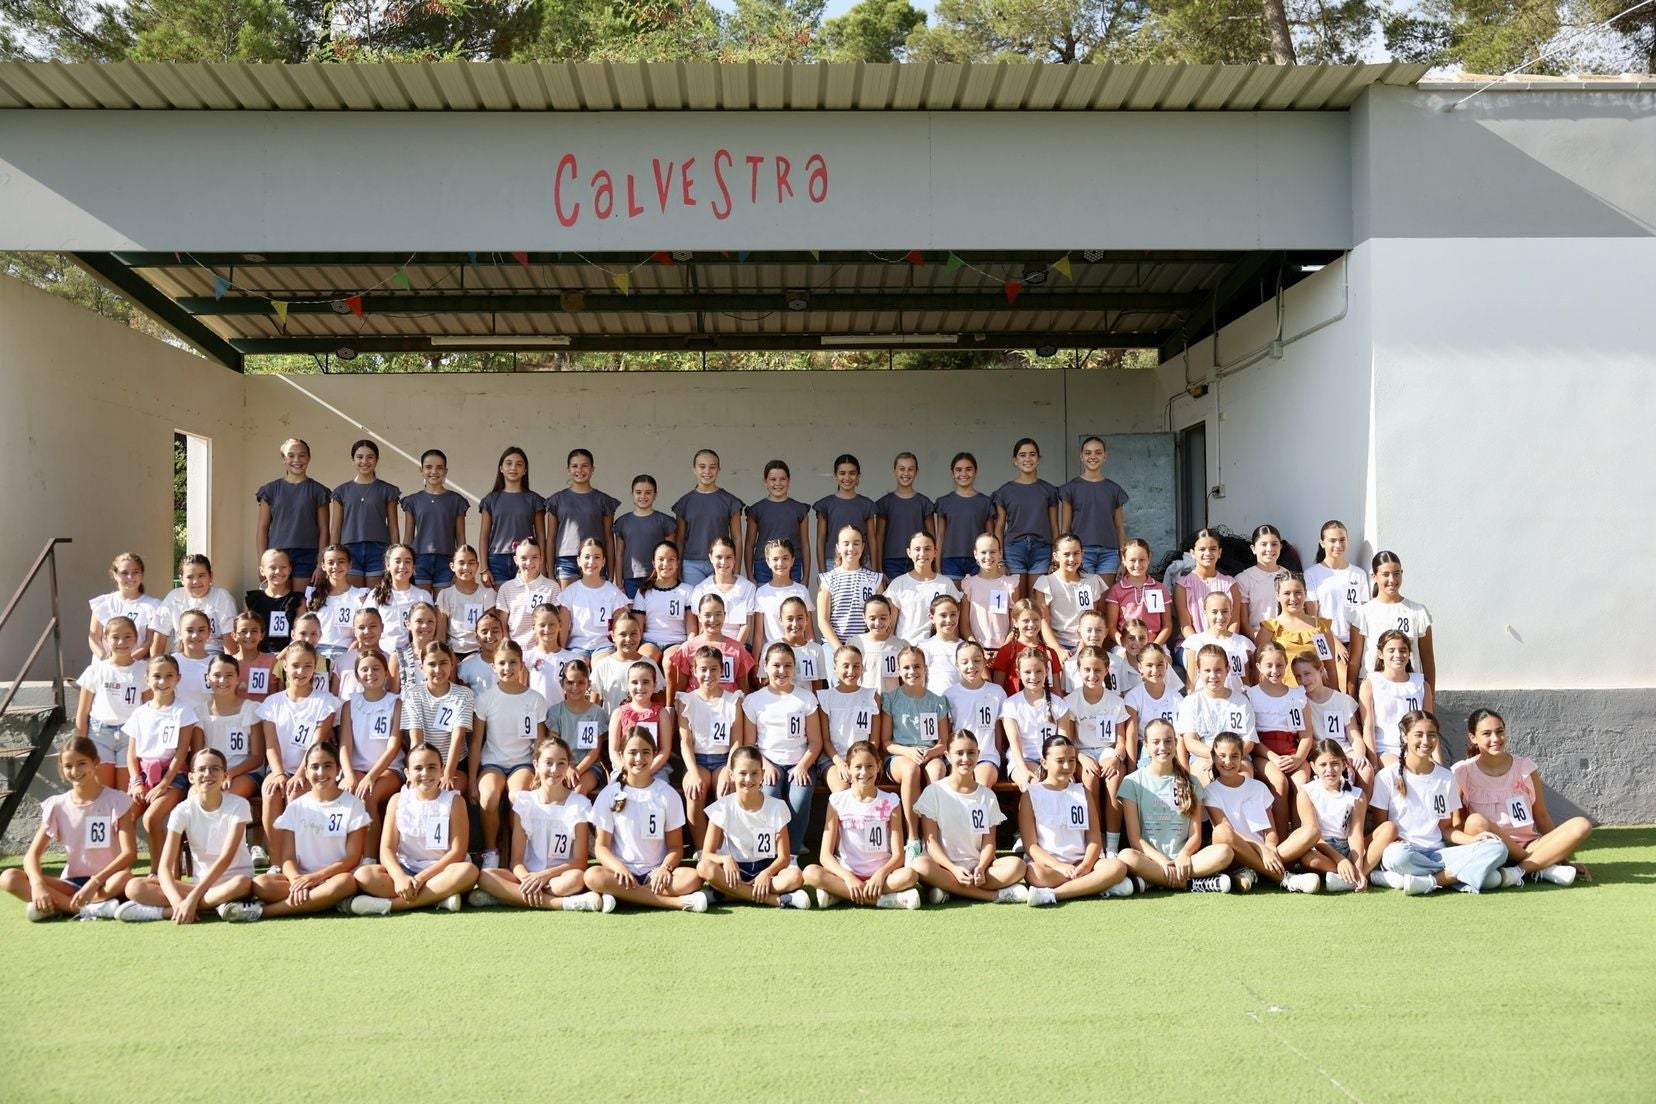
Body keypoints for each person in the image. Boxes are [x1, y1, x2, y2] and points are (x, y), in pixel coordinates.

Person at [1369, 711, 1512, 895]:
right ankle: (1459, 876)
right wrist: (1395, 844)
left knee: (1498, 849)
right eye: (1418, 735)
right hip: (1404, 852)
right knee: (1397, 857)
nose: (1426, 741)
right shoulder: (1386, 777)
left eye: (1432, 735)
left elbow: (1446, 829)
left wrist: (1473, 840)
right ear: (1405, 736)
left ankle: (1427, 881)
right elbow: (1381, 828)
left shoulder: (1446, 778)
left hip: (1439, 854)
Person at [116, 748, 261, 923]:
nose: (208, 774)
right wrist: (177, 901)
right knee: (134, 887)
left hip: (232, 885)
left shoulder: (239, 805)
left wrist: (192, 899)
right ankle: (214, 907)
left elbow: (226, 857)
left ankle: (162, 912)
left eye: (215, 769)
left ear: (224, 775)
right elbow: (164, 867)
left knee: (242, 884)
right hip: (197, 887)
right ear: (191, 777)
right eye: (201, 769)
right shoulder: (182, 810)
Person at [0, 737, 136, 921]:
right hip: (70, 884)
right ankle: (85, 909)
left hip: (107, 881)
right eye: (68, 766)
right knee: (9, 877)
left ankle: (58, 906)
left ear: (95, 763)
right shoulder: (57, 805)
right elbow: (31, 855)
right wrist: (38, 884)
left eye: (82, 764)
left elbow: (129, 854)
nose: (75, 771)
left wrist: (95, 882)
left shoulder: (117, 800)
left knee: (125, 879)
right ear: (62, 769)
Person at [1453, 708, 1591, 885]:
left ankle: (1518, 871)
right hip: (1492, 848)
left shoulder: (1526, 768)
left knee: (1581, 825)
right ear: (1472, 737)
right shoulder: (1461, 772)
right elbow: (1459, 824)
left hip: (1532, 846)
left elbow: (1541, 815)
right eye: (1486, 734)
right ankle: (1539, 865)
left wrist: (1563, 858)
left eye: (1500, 732)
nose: (1495, 739)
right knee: (1475, 821)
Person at [471, 736, 610, 912]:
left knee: (576, 879)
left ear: (568, 766)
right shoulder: (525, 802)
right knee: (485, 876)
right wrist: (528, 879)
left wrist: (545, 876)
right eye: (548, 763)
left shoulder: (578, 804)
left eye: (561, 763)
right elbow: (516, 861)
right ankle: (561, 904)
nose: (555, 769)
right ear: (536, 764)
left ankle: (508, 897)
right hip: (527, 876)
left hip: (559, 878)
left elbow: (580, 862)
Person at [584, 727, 711, 911]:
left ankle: (625, 897)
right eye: (632, 753)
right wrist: (619, 868)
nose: (639, 759)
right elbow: (601, 847)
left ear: (654, 754)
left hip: (655, 874)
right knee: (592, 876)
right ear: (621, 755)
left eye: (645, 752)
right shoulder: (609, 794)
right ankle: (674, 903)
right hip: (621, 873)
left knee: (693, 878)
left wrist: (665, 869)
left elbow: (676, 847)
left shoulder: (667, 794)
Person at [345, 744, 479, 914]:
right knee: (364, 875)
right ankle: (439, 897)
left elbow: (458, 852)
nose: (425, 774)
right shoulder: (397, 800)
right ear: (407, 773)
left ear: (442, 770)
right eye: (418, 768)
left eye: (432, 767)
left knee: (468, 871)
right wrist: (399, 877)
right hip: (406, 870)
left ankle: (390, 905)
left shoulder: (455, 801)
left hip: (441, 871)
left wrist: (422, 878)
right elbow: (387, 849)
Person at [251, 741, 372, 917]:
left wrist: (315, 879)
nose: (321, 772)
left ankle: (264, 912)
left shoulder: (353, 805)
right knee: (261, 884)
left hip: (335, 877)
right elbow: (288, 858)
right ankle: (324, 900)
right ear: (306, 772)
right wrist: (296, 881)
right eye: (315, 767)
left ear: (338, 769)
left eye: (327, 766)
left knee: (346, 883)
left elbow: (352, 858)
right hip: (301, 878)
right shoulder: (295, 807)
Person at [910, 730, 1029, 904]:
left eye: (971, 752)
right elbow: (931, 842)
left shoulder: (987, 796)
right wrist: (954, 870)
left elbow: (989, 843)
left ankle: (948, 890)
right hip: (944, 867)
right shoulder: (934, 792)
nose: (965, 759)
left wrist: (980, 867)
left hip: (978, 870)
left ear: (978, 754)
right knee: (919, 865)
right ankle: (993, 896)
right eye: (959, 753)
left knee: (1018, 866)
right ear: (948, 756)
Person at [1117, 719, 1234, 892]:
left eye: (1168, 741)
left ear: (1176, 743)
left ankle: (1154, 880)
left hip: (1186, 861)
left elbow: (1196, 836)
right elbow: (1135, 840)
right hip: (1152, 860)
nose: (1163, 747)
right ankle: (1192, 884)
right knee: (1126, 856)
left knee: (1225, 852)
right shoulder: (1132, 782)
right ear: (1146, 746)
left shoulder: (1191, 782)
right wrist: (1162, 861)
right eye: (1156, 742)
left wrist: (1184, 855)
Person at [804, 740, 921, 909]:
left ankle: (840, 895)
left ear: (879, 766)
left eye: (869, 766)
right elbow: (825, 856)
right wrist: (848, 878)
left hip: (881, 877)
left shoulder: (891, 802)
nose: (864, 772)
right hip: (847, 874)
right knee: (810, 872)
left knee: (910, 875)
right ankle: (885, 900)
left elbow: (898, 856)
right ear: (848, 768)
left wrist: (880, 875)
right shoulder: (837, 801)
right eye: (858, 767)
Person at [1018, 734, 1133, 904]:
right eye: (1060, 761)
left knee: (1117, 867)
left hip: (1083, 863)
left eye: (1071, 760)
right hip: (1050, 867)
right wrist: (1059, 866)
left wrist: (1086, 866)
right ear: (1044, 762)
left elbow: (1094, 838)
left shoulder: (1082, 792)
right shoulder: (1031, 795)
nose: (1067, 766)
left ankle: (1053, 895)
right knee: (1034, 873)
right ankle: (1093, 886)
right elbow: (1031, 846)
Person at [1203, 732, 1321, 893]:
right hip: (1236, 856)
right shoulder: (1210, 791)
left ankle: (1255, 871)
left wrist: (1270, 846)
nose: (1228, 762)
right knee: (1221, 832)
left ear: (1242, 757)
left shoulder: (1258, 788)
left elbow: (1271, 831)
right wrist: (1261, 849)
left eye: (1234, 756)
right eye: (1221, 756)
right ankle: (1286, 879)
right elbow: (1227, 832)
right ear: (1213, 757)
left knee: (1311, 831)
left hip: (1268, 854)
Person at [697, 746, 812, 909]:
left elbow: (784, 857)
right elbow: (707, 855)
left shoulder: (776, 807)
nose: (749, 779)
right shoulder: (721, 807)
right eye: (742, 773)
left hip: (765, 870)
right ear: (731, 775)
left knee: (795, 876)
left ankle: (727, 895)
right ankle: (775, 900)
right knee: (703, 868)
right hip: (733, 872)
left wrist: (766, 873)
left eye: (754, 773)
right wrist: (725, 859)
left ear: (762, 775)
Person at [257, 640, 341, 853]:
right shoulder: (272, 703)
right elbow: (271, 744)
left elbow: (316, 745)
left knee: (295, 795)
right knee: (271, 793)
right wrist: (278, 774)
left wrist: (300, 774)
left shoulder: (325, 702)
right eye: (295, 665)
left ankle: (296, 858)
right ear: (285, 665)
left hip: (311, 770)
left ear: (315, 667)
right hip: (279, 768)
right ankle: (276, 860)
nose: (301, 671)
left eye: (307, 666)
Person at [469, 643, 547, 868]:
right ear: (493, 667)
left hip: (522, 764)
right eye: (502, 663)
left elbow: (539, 742)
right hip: (492, 763)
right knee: (489, 797)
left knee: (518, 798)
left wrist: (539, 773)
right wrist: (473, 780)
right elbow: (476, 743)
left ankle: (517, 854)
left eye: (513, 662)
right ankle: (491, 851)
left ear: (522, 664)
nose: (507, 667)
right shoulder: (485, 699)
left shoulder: (535, 699)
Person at [743, 642, 824, 855]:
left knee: (800, 797)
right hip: (768, 763)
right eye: (776, 665)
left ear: (794, 667)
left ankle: (792, 853)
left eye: (788, 665)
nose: (781, 671)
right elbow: (750, 744)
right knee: (769, 794)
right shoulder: (754, 701)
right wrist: (765, 766)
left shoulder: (806, 698)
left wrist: (802, 767)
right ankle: (769, 850)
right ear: (766, 666)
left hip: (800, 762)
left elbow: (816, 741)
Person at [123, 654, 199, 875]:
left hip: (173, 777)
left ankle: (159, 872)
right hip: (143, 777)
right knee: (123, 817)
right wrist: (137, 782)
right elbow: (131, 754)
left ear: (178, 679)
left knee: (152, 818)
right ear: (147, 679)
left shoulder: (183, 711)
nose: (162, 682)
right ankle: (122, 869)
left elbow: (181, 752)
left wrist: (164, 784)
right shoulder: (139, 713)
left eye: (169, 676)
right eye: (157, 676)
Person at [882, 645, 951, 860]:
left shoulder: (937, 701)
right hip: (899, 756)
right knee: (911, 770)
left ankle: (932, 838)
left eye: (917, 666)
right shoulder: (891, 699)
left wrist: (931, 753)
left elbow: (943, 742)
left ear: (925, 668)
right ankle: (912, 839)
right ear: (899, 671)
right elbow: (886, 742)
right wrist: (908, 752)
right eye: (907, 668)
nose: (912, 672)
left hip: (930, 754)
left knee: (937, 769)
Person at [1062, 645, 1133, 851]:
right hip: (1081, 752)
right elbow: (1069, 742)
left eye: (1097, 670)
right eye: (1087, 670)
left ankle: (1112, 844)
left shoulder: (1115, 702)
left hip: (1106, 751)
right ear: (1079, 670)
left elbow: (1120, 742)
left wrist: (1116, 759)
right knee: (1089, 777)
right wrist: (1082, 758)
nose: (1092, 675)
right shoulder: (1071, 701)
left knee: (1113, 777)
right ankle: (1095, 839)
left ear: (1106, 670)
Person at [677, 645, 747, 849]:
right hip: (696, 760)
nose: (708, 674)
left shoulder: (732, 701)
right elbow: (685, 741)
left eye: (714, 669)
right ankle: (702, 850)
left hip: (724, 760)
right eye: (703, 669)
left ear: (722, 671)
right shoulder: (686, 700)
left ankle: (723, 846)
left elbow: (737, 740)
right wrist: (692, 772)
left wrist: (729, 770)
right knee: (695, 791)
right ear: (694, 671)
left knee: (726, 791)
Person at [337, 647, 402, 861]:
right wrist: (348, 775)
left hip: (387, 770)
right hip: (356, 768)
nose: (370, 673)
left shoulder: (395, 703)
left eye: (376, 668)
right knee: (340, 794)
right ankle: (340, 857)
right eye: (364, 669)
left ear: (385, 673)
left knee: (368, 796)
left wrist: (370, 777)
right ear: (357, 676)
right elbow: (344, 745)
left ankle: (369, 859)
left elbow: (393, 747)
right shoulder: (349, 705)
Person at [1247, 642, 1313, 833]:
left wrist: (1298, 758)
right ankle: (1282, 837)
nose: (1275, 670)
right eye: (1269, 665)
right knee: (1280, 783)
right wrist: (1274, 758)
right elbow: (1252, 737)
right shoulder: (1251, 695)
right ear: (1259, 666)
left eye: (1279, 665)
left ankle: (1301, 837)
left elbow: (1306, 734)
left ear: (1286, 665)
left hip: (1293, 752)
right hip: (1264, 754)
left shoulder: (1297, 695)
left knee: (1301, 783)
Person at [1349, 551, 1434, 691]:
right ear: (1374, 576)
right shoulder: (1362, 613)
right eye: (1385, 574)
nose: (1392, 580)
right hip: (1373, 687)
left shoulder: (1418, 611)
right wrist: (1352, 695)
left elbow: (1428, 659)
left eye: (1396, 573)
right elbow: (1355, 660)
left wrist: (1430, 695)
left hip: (1410, 687)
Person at [75, 616, 144, 788]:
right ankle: (99, 818)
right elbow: (83, 712)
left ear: (136, 638)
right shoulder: (95, 670)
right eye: (115, 637)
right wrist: (80, 744)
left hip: (130, 736)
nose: (122, 641)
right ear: (105, 639)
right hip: (99, 735)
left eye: (128, 636)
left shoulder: (144, 670)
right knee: (101, 793)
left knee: (124, 795)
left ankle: (122, 817)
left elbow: (149, 709)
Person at [1294, 739, 1372, 892]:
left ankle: (1354, 874)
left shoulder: (1357, 795)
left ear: (1344, 764)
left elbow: (1355, 835)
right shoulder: (1306, 792)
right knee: (1309, 859)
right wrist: (1340, 860)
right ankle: (1351, 876)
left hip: (1348, 848)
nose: (1329, 770)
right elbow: (1314, 837)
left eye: (1335, 763)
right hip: (1322, 849)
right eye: (1323, 765)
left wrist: (1356, 865)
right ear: (1313, 767)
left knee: (1388, 829)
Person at [401, 641, 476, 793]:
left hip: (454, 764)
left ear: (452, 664)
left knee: (446, 794)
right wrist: (418, 773)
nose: (438, 669)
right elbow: (416, 738)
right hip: (423, 764)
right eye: (432, 664)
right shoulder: (413, 695)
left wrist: (447, 774)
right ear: (422, 667)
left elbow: (458, 737)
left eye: (443, 663)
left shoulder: (463, 695)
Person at [1175, 644, 1257, 782]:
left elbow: (1248, 741)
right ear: (1198, 671)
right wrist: (1216, 757)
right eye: (1207, 670)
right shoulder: (1191, 702)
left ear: (1228, 670)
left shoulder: (1241, 702)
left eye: (1218, 670)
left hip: (1237, 758)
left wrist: (1228, 758)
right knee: (1210, 780)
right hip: (1204, 757)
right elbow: (1190, 741)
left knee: (1243, 781)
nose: (1213, 676)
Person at [1303, 520, 1368, 690]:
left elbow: (1363, 613)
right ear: (1322, 543)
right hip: (1325, 639)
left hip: (1355, 641)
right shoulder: (1312, 574)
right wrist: (1335, 642)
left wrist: (1355, 643)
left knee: (1353, 687)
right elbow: (1313, 616)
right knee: (1338, 684)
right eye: (1332, 540)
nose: (1338, 545)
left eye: (1342, 540)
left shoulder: (1358, 574)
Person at [255, 436, 331, 581]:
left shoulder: (319, 491)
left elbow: (324, 529)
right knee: (279, 600)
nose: (297, 460)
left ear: (308, 458)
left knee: (301, 600)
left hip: (308, 555)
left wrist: (321, 564)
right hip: (276, 555)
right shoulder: (269, 490)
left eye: (302, 455)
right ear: (284, 459)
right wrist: (261, 562)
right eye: (291, 455)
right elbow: (262, 528)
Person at [1294, 654, 1371, 791]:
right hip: (1320, 752)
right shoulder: (1299, 703)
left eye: (1307, 674)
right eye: (1298, 676)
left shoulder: (1342, 700)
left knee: (1366, 771)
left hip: (1345, 751)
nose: (1303, 680)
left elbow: (1355, 736)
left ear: (1321, 670)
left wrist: (1358, 755)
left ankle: (1359, 810)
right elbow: (1306, 739)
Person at [993, 437, 1059, 600]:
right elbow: (999, 528)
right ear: (1015, 460)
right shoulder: (1004, 491)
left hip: (1042, 549)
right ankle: (1015, 627)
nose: (1027, 459)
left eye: (1032, 454)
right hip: (1014, 549)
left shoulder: (1049, 490)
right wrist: (999, 560)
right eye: (1022, 455)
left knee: (1037, 598)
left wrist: (1055, 555)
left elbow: (1054, 525)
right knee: (1016, 600)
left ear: (1038, 459)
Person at [329, 438, 401, 587]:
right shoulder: (341, 491)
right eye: (360, 457)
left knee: (375, 599)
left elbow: (393, 526)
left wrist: (395, 554)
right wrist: (332, 556)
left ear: (377, 460)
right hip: (349, 550)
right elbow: (335, 528)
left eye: (370, 457)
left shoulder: (388, 490)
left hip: (379, 549)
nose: (365, 461)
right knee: (354, 598)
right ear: (353, 460)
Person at [1058, 436, 1130, 583]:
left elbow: (1119, 527)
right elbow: (1065, 527)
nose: (1092, 456)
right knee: (1085, 597)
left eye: (1098, 452)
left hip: (1109, 552)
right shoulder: (1070, 488)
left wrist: (1123, 558)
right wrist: (1063, 555)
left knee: (1104, 599)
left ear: (1105, 456)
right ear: (1081, 456)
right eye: (1088, 453)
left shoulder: (1114, 489)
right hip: (1081, 552)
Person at [1000, 647, 1072, 791]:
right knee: (1034, 784)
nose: (1033, 677)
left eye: (1039, 671)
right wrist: (1023, 769)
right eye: (1027, 672)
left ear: (1047, 671)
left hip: (1052, 760)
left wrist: (1063, 769)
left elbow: (1064, 743)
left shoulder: (1059, 705)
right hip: (1022, 760)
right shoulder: (1011, 705)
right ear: (1018, 673)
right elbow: (1015, 743)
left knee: (1062, 785)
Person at [544, 448, 619, 583]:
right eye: (574, 466)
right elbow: (550, 539)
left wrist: (611, 572)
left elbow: (608, 539)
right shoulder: (556, 500)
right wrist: (549, 572)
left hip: (595, 558)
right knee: (566, 603)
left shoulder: (603, 500)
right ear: (568, 469)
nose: (579, 470)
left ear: (592, 469)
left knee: (595, 602)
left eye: (585, 466)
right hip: (566, 559)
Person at [400, 448, 470, 593]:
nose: (434, 471)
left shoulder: (456, 500)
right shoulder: (412, 501)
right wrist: (404, 561)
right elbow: (408, 536)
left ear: (445, 471)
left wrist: (462, 563)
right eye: (428, 467)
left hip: (446, 560)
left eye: (439, 467)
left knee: (442, 607)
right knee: (421, 606)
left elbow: (461, 536)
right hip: (419, 561)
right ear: (421, 470)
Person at [673, 448, 745, 587]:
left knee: (719, 605)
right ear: (694, 469)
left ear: (718, 469)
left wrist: (736, 568)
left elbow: (737, 538)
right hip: (691, 564)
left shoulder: (730, 501)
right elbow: (680, 540)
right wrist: (678, 570)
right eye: (702, 467)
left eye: (712, 467)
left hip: (721, 562)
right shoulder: (684, 503)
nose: (707, 471)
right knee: (696, 606)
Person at [1360, 629, 1432, 767]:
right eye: (1391, 650)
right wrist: (1374, 764)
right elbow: (1367, 727)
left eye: (1403, 650)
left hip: (1417, 749)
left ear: (1409, 653)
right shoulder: (1370, 684)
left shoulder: (1421, 684)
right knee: (1401, 772)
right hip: (1385, 750)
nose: (1398, 655)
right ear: (1380, 654)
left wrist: (1438, 762)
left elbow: (1430, 727)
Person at [1255, 571, 1339, 688]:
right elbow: (1258, 670)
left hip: (1314, 696)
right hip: (1282, 697)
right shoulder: (1270, 628)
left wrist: (1333, 698)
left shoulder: (1320, 627)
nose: (1293, 598)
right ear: (1277, 595)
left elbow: (1330, 669)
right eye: (1287, 593)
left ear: (1305, 593)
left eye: (1298, 592)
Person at [199, 653, 265, 802]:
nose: (223, 680)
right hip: (210, 773)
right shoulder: (200, 712)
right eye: (217, 675)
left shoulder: (251, 709)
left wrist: (230, 773)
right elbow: (198, 755)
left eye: (229, 675)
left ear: (237, 679)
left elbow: (257, 757)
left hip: (245, 772)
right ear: (208, 679)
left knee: (225, 800)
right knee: (195, 801)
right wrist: (212, 774)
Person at [478, 445, 545, 587]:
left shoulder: (534, 500)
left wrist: (541, 563)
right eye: (508, 463)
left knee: (524, 606)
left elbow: (540, 534)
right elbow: (484, 536)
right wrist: (484, 569)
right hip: (497, 561)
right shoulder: (490, 500)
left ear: (525, 470)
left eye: (519, 464)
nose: (513, 468)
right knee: (500, 607)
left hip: (526, 559)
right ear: (501, 468)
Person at [1033, 533, 1105, 661]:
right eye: (1066, 554)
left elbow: (1092, 619)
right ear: (1056, 556)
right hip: (1056, 645)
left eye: (1076, 553)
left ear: (1082, 553)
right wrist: (1057, 650)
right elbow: (1044, 621)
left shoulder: (1092, 581)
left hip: (1086, 644)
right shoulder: (1045, 583)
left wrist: (1082, 648)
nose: (1072, 559)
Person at [881, 531, 961, 645]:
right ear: (909, 552)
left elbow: (954, 625)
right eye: (917, 549)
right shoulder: (898, 584)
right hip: (907, 649)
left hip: (937, 650)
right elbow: (891, 626)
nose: (922, 553)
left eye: (927, 549)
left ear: (935, 552)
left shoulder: (946, 584)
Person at [944, 639, 1005, 787]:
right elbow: (947, 730)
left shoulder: (996, 692)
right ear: (957, 665)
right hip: (959, 756)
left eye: (976, 660)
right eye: (964, 662)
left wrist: (997, 753)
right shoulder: (949, 695)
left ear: (984, 662)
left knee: (980, 786)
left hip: (986, 756)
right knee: (958, 787)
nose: (971, 666)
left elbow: (998, 728)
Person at [817, 645, 878, 794]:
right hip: (834, 759)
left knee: (862, 788)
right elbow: (825, 740)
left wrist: (862, 763)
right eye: (846, 666)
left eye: (856, 666)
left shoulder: (872, 696)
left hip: (864, 760)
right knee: (843, 790)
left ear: (862, 668)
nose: (851, 671)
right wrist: (840, 763)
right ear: (835, 668)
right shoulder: (826, 698)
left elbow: (874, 740)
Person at [557, 538, 629, 658]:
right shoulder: (569, 593)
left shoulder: (613, 592)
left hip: (604, 647)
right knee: (577, 670)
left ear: (603, 561)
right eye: (587, 557)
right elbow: (563, 628)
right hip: (576, 647)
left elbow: (619, 625)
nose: (591, 562)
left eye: (597, 557)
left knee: (600, 666)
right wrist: (561, 655)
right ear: (579, 561)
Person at [546, 658, 608, 795]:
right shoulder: (555, 712)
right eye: (570, 683)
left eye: (580, 683)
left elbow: (594, 751)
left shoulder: (597, 713)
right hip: (560, 765)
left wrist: (577, 770)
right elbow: (554, 745)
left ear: (588, 684)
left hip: (589, 767)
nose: (575, 688)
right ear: (562, 684)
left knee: (578, 791)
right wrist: (566, 768)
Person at [154, 553, 237, 656]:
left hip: (212, 654)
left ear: (210, 576)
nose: (196, 581)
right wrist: (154, 666)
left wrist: (230, 666)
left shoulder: (222, 597)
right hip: (180, 654)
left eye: (201, 575)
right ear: (181, 579)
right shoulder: (173, 597)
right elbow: (160, 634)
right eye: (190, 577)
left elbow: (229, 636)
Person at [816, 524, 882, 651]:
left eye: (856, 543)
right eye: (846, 543)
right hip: (833, 646)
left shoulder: (875, 579)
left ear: (862, 547)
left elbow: (881, 614)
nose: (851, 548)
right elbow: (822, 620)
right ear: (838, 547)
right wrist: (839, 649)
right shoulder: (827, 579)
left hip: (866, 647)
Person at [358, 545, 433, 657]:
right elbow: (364, 625)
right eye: (397, 561)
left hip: (414, 657)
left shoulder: (423, 596)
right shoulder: (376, 595)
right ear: (388, 565)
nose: (402, 566)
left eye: (407, 562)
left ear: (413, 567)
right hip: (381, 656)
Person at [932, 451, 996, 581]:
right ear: (953, 474)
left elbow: (991, 537)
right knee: (952, 600)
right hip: (950, 560)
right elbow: (940, 535)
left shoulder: (985, 502)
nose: (963, 474)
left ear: (975, 472)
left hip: (979, 560)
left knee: (977, 601)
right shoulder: (944, 502)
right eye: (958, 470)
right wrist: (937, 565)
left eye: (968, 469)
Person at [744, 460, 811, 584]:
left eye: (783, 479)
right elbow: (749, 544)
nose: (778, 483)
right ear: (765, 482)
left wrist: (806, 576)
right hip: (763, 565)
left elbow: (805, 544)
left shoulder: (800, 509)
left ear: (789, 481)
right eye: (773, 479)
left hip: (792, 564)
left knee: (791, 602)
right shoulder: (756, 510)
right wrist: (749, 574)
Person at [612, 474, 677, 599]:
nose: (643, 496)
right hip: (631, 578)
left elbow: (672, 554)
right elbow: (619, 554)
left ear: (655, 494)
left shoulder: (665, 521)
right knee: (634, 615)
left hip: (659, 576)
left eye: (648, 492)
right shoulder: (622, 522)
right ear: (632, 494)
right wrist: (619, 583)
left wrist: (672, 579)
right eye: (638, 492)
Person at [87, 552, 162, 660]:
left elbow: (149, 641)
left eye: (135, 572)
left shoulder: (152, 606)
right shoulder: (103, 603)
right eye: (124, 573)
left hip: (136, 667)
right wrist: (105, 658)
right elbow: (94, 637)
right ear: (115, 574)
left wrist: (128, 661)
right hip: (105, 666)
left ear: (142, 574)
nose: (130, 577)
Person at [608, 662, 674, 782]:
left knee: (658, 791)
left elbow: (665, 750)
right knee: (617, 791)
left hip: (655, 768)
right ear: (627, 685)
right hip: (625, 767)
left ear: (654, 685)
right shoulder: (618, 713)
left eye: (646, 682)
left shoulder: (661, 713)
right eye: (634, 682)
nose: (640, 687)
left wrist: (648, 770)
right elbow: (613, 750)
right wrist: (625, 769)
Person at [689, 537, 758, 650]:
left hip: (737, 646)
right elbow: (702, 628)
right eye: (719, 557)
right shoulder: (701, 589)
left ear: (735, 559)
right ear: (710, 558)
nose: (723, 562)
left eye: (729, 557)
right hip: (710, 648)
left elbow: (745, 626)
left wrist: (733, 651)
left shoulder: (747, 587)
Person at [873, 452, 935, 580]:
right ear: (894, 471)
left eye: (910, 469)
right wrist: (878, 568)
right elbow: (879, 538)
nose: (906, 473)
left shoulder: (924, 503)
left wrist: (932, 564)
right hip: (891, 562)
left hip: (919, 559)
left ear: (916, 472)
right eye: (901, 469)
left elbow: (932, 537)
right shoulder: (885, 503)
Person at [1174, 528, 1240, 646]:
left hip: (1225, 643)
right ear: (1193, 553)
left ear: (1219, 553)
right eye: (1202, 549)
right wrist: (1203, 647)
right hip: (1192, 644)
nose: (1208, 553)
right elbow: (1185, 625)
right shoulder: (1183, 585)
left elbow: (1234, 621)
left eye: (1213, 549)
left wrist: (1225, 643)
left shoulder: (1230, 584)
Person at [632, 540, 694, 666]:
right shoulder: (644, 591)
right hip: (650, 641)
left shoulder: (687, 590)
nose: (665, 564)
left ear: (677, 563)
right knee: (646, 660)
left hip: (677, 641)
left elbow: (692, 626)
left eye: (671, 559)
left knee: (670, 662)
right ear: (653, 563)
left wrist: (690, 647)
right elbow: (638, 626)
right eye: (661, 559)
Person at [814, 453, 877, 573]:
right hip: (832, 563)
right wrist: (822, 572)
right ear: (835, 475)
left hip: (863, 561)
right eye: (842, 473)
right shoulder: (825, 505)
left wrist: (875, 570)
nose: (847, 478)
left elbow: (872, 539)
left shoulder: (867, 504)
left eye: (852, 473)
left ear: (858, 475)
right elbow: (820, 540)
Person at [1180, 590, 1253, 693]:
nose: (1220, 617)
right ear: (1205, 612)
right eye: (1214, 612)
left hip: (1234, 702)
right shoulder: (1195, 642)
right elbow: (1191, 682)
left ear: (1231, 611)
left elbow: (1245, 682)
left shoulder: (1242, 643)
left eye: (1224, 611)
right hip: (1205, 703)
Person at [1104, 539, 1172, 649]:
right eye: (1132, 560)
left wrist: (1154, 646)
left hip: (1154, 645)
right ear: (1124, 560)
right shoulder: (1116, 590)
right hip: (1125, 646)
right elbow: (1111, 627)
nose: (1137, 565)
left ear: (1149, 558)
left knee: (1164, 664)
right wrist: (1125, 645)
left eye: (1142, 560)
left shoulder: (1160, 588)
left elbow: (1167, 625)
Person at [959, 532, 1018, 657]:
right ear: (975, 554)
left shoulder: (1010, 584)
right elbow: (964, 625)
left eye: (992, 552)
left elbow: (1015, 622)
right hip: (976, 651)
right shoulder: (969, 583)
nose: (988, 556)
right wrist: (978, 650)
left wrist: (1004, 650)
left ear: (1000, 553)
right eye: (983, 552)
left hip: (1004, 651)